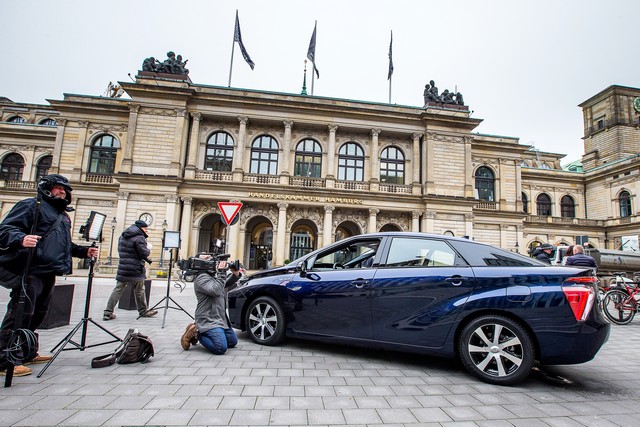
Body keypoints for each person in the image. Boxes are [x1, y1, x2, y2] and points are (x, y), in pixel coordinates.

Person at [0, 174, 98, 377]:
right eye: (57, 187)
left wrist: (83, 251)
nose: (62, 191)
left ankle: (27, 351)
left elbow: (63, 245)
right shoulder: (32, 206)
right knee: (20, 314)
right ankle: (5, 359)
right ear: (46, 188)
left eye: (65, 189)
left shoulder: (61, 215)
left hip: (49, 269)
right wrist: (21, 238)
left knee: (38, 313)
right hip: (32, 269)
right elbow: (5, 229)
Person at [180, 259, 242, 354]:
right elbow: (216, 291)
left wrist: (235, 275)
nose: (213, 262)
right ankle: (197, 333)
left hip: (219, 318)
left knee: (232, 342)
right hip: (208, 318)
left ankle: (207, 332)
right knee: (220, 348)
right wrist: (222, 272)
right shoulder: (201, 278)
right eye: (207, 260)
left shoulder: (211, 276)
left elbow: (223, 284)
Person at [103, 220, 158, 320]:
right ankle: (143, 311)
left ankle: (108, 312)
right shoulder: (139, 237)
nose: (147, 231)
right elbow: (143, 253)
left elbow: (124, 250)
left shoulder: (123, 236)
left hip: (123, 266)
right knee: (140, 290)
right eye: (145, 228)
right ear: (141, 228)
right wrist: (148, 248)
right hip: (136, 267)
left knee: (118, 289)